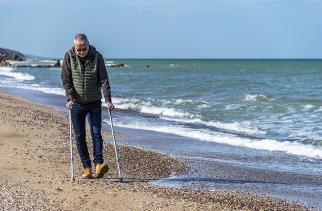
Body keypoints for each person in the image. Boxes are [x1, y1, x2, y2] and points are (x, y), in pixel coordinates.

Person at [61, 33, 114, 179]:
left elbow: (104, 80)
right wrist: (69, 98)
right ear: (75, 47)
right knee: (80, 137)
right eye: (79, 50)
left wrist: (108, 100)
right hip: (76, 104)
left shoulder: (97, 57)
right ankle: (86, 168)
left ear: (88, 44)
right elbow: (66, 79)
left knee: (96, 133)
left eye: (84, 49)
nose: (81, 52)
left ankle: (98, 165)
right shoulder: (69, 57)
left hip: (94, 102)